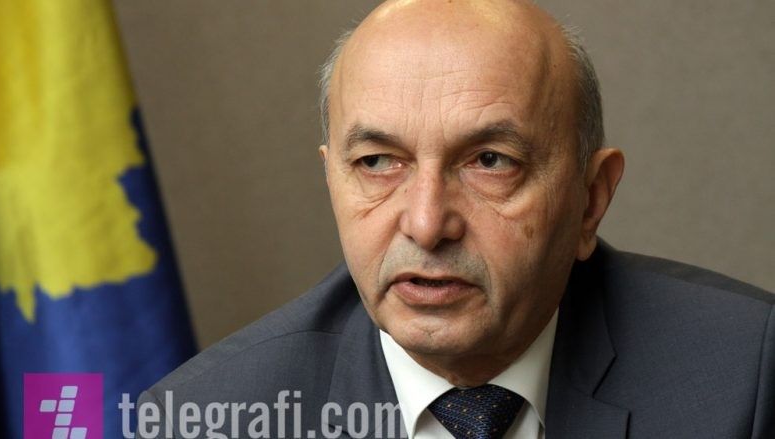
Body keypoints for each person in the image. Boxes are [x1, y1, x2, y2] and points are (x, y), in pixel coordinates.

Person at [136, 1, 774, 438]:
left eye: (490, 161)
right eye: (378, 162)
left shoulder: (747, 378)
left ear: (591, 199)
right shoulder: (208, 419)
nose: (425, 224)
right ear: (331, 178)